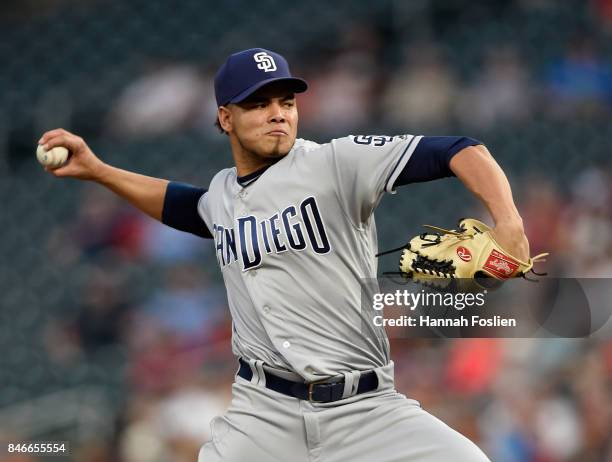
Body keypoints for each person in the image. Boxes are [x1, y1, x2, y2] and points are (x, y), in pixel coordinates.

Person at [39, 48, 531, 461]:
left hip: (366, 410)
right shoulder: (221, 196)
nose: (277, 112)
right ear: (225, 118)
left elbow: (461, 149)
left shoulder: (336, 163)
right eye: (258, 103)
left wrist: (507, 221)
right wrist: (100, 170)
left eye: (285, 101)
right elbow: (185, 206)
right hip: (263, 415)